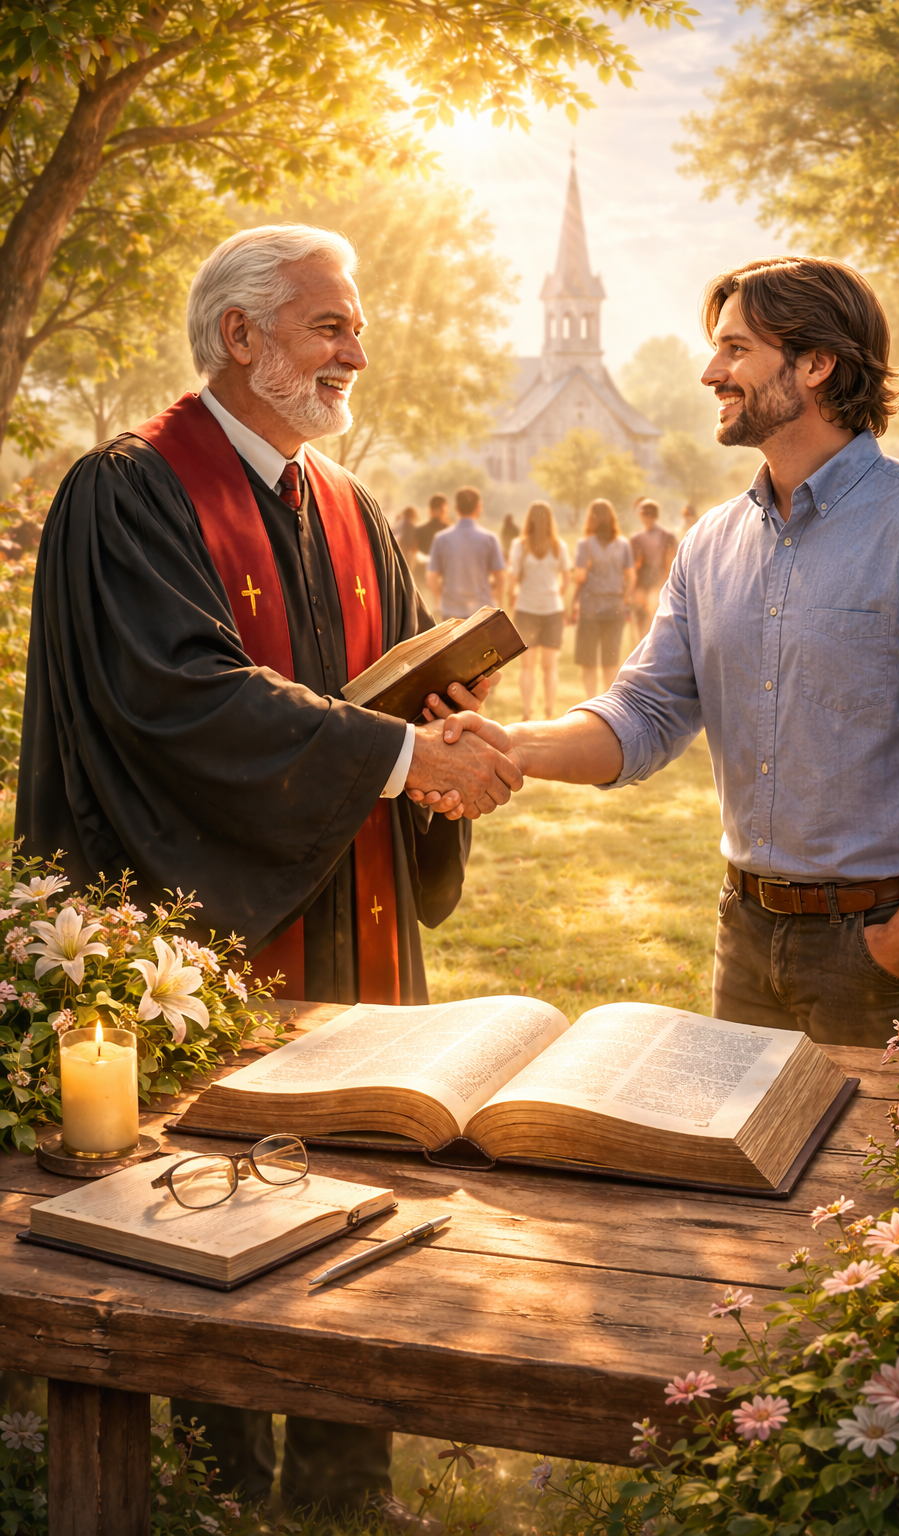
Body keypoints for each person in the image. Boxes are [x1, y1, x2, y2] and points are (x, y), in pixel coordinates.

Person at [16, 223, 522, 1530]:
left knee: (370, 1180)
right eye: (329, 326)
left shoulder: (351, 506)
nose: (358, 349)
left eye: (352, 325)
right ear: (240, 337)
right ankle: (216, 1488)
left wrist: (448, 719)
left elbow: (395, 681)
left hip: (357, 923)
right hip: (214, 932)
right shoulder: (125, 493)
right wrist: (409, 755)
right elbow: (175, 699)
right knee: (221, 1198)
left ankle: (348, 1486)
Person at [433, 256, 899, 1050]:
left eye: (736, 349)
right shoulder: (710, 542)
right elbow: (642, 713)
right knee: (741, 1174)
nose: (712, 371)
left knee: (878, 1178)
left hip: (887, 955)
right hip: (744, 938)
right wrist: (511, 745)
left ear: (816, 365)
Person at [507, 501, 571, 719]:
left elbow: (513, 577)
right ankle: (550, 711)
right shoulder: (558, 545)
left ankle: (527, 711)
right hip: (553, 610)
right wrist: (554, 595)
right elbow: (567, 579)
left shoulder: (520, 545)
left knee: (527, 666)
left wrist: (511, 595)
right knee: (550, 667)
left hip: (526, 609)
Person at [572, 498, 634, 698]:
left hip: (590, 607)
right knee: (611, 661)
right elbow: (631, 576)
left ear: (593, 518)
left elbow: (579, 576)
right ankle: (609, 704)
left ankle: (590, 701)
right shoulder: (623, 544)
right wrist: (624, 598)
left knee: (589, 661)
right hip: (615, 607)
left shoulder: (585, 544)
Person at [427, 486, 505, 618]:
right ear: (479, 507)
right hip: (482, 611)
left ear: (456, 508)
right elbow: (500, 577)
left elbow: (432, 577)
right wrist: (500, 601)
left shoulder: (441, 539)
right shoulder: (490, 539)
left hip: (451, 610)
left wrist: (440, 596)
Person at [629, 499, 677, 642]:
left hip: (643, 586)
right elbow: (671, 564)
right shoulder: (668, 536)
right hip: (659, 585)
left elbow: (633, 566)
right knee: (657, 624)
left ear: (641, 515)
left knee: (642, 623)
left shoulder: (637, 538)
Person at [414, 492, 450, 558]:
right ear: (444, 509)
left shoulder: (418, 530)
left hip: (423, 567)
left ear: (430, 510)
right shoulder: (449, 531)